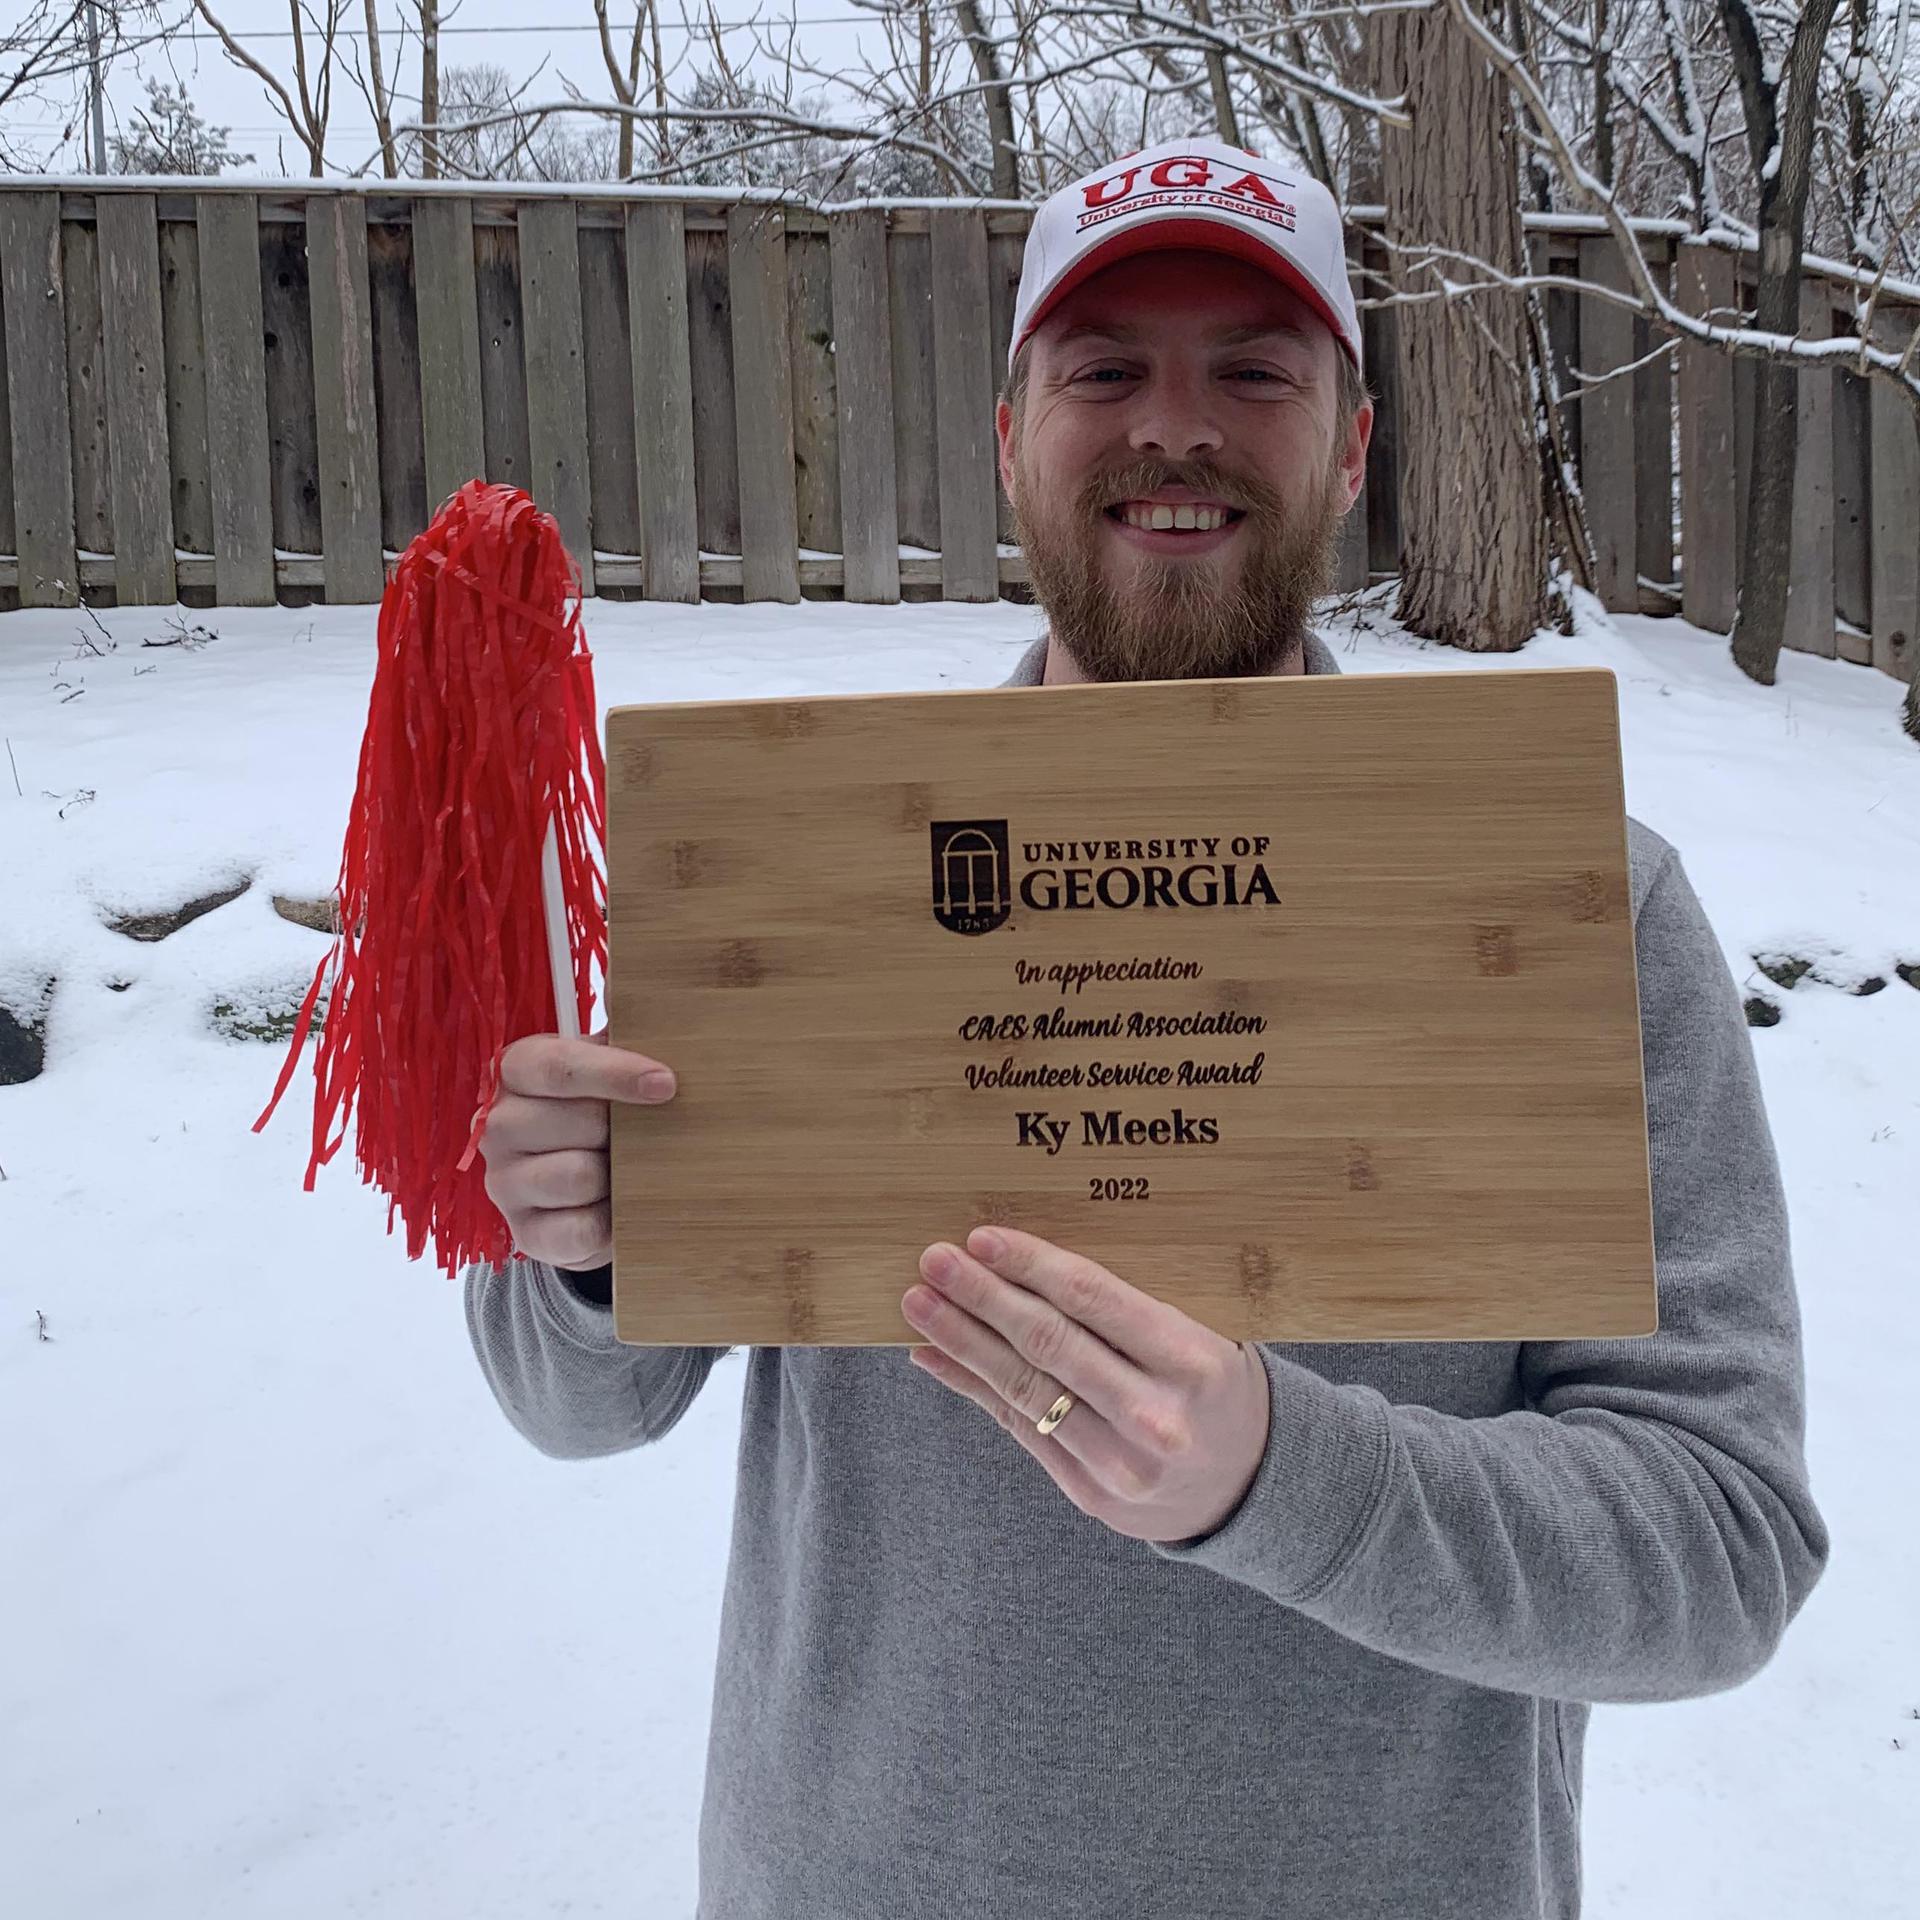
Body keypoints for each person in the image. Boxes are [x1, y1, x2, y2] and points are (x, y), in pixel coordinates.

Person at [464, 137, 1830, 1919]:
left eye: (1251, 370)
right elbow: (574, 1410)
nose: (1171, 428)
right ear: (1010, 433)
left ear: (1349, 443)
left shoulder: (1557, 896)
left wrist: (1281, 1477)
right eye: (1105, 369)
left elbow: (1718, 1550)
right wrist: (571, 1257)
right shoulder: (801, 874)